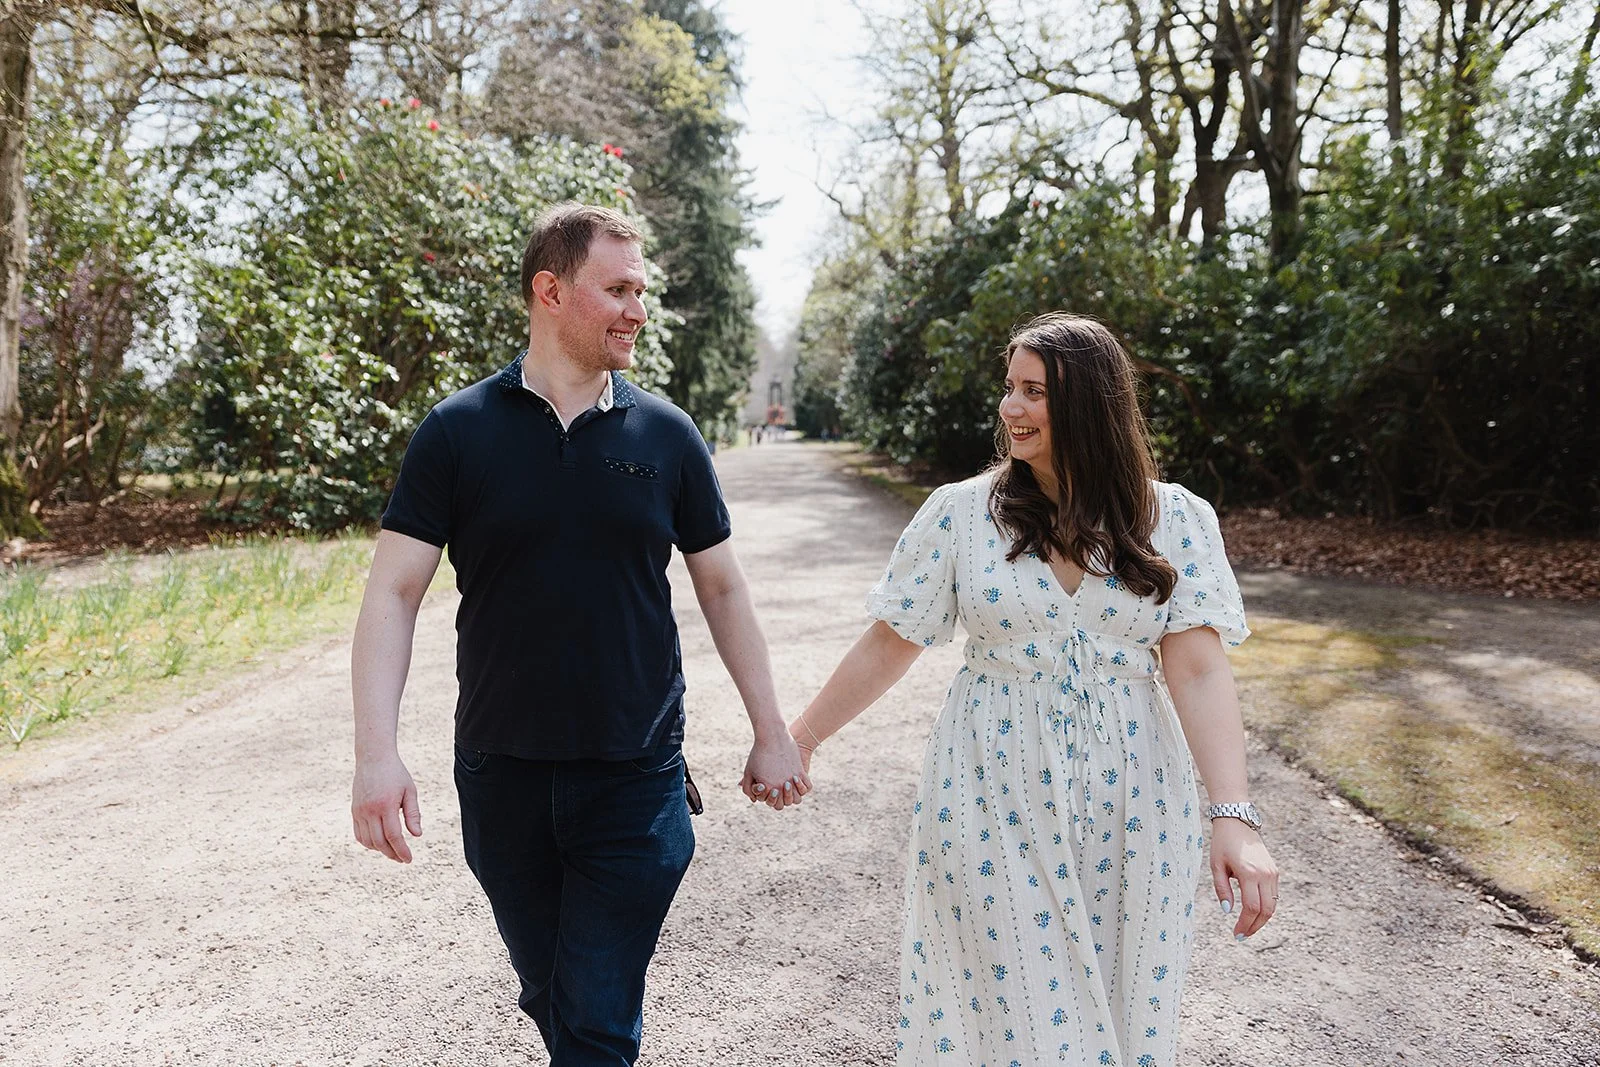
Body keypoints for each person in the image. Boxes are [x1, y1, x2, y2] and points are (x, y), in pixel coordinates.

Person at [349, 202, 810, 1066]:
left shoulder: (667, 436)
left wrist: (771, 729)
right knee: (554, 995)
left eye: (643, 290)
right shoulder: (457, 432)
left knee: (595, 1019)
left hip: (634, 775)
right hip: (500, 771)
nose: (640, 310)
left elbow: (723, 587)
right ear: (551, 291)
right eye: (619, 289)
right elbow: (392, 595)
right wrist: (377, 751)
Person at [784, 313, 1279, 1066]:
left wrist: (1233, 817)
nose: (1011, 408)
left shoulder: (1175, 517)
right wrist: (802, 737)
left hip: (1137, 798)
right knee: (1020, 1015)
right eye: (1009, 387)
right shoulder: (960, 512)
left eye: (1034, 392)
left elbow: (1200, 668)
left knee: (1126, 1011)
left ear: (1089, 403)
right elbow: (893, 640)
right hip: (989, 783)